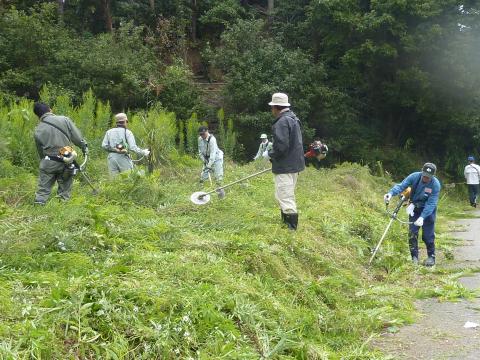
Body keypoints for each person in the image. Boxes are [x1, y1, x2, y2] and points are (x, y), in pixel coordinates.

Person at [384, 163, 441, 266]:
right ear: (421, 172)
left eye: (428, 177)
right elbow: (402, 186)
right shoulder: (414, 176)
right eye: (424, 175)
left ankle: (431, 257)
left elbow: (431, 203)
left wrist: (422, 217)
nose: (425, 178)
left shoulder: (435, 184)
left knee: (428, 235)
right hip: (415, 208)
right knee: (412, 233)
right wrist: (391, 193)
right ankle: (414, 257)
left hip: (428, 211)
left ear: (432, 176)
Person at [33, 102, 88, 205]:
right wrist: (84, 147)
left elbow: (40, 151)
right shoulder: (64, 120)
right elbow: (77, 138)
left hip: (48, 162)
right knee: (64, 190)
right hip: (66, 160)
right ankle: (62, 207)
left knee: (42, 190)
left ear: (37, 115)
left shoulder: (38, 129)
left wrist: (44, 161)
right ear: (50, 109)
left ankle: (38, 207)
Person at [266, 93, 305, 230]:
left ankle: (291, 229)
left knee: (285, 195)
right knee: (284, 194)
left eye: (272, 108)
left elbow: (281, 147)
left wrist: (270, 155)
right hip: (294, 165)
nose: (272, 111)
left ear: (276, 107)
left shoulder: (282, 122)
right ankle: (285, 224)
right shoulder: (293, 119)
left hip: (285, 166)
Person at [101, 113, 150, 177]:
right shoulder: (128, 132)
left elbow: (104, 146)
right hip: (123, 158)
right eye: (127, 122)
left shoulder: (109, 132)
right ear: (125, 121)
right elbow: (133, 148)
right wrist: (144, 152)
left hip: (111, 159)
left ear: (117, 122)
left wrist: (115, 150)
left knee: (114, 181)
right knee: (127, 180)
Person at [198, 126, 225, 198]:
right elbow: (200, 152)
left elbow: (213, 154)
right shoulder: (200, 139)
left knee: (218, 178)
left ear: (207, 131)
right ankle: (203, 196)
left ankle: (221, 197)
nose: (202, 136)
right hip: (206, 159)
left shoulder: (212, 140)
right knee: (203, 177)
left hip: (216, 158)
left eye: (203, 134)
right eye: (200, 134)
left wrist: (209, 165)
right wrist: (205, 161)